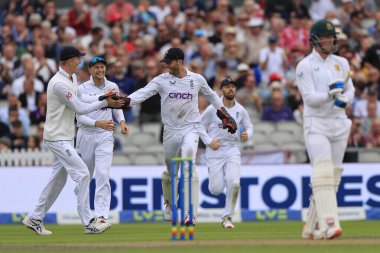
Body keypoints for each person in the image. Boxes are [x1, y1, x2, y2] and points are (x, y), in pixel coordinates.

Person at [125, 47, 237, 225]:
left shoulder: (197, 79)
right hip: (170, 131)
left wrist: (225, 115)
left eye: (169, 62)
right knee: (171, 173)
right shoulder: (162, 80)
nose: (167, 65)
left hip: (190, 128)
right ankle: (169, 204)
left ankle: (189, 213)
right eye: (165, 62)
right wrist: (127, 101)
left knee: (188, 165)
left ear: (179, 61)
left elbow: (212, 96)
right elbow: (143, 93)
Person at [22, 46, 125, 235]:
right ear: (70, 61)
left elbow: (81, 99)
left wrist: (103, 97)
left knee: (57, 180)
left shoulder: (72, 78)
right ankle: (89, 222)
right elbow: (79, 108)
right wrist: (105, 103)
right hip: (57, 137)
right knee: (84, 173)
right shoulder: (58, 83)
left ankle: (35, 218)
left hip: (67, 137)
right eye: (78, 59)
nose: (80, 62)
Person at [295, 20, 354, 239]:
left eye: (332, 37)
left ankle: (310, 227)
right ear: (315, 39)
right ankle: (329, 225)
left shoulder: (341, 63)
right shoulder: (305, 65)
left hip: (339, 122)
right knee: (323, 172)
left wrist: (344, 98)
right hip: (316, 123)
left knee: (334, 174)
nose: (330, 41)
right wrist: (330, 94)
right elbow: (309, 99)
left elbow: (351, 89)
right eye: (326, 37)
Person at [76, 57, 129, 224]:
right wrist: (97, 122)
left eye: (102, 67)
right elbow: (79, 117)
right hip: (85, 134)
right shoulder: (81, 89)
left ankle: (101, 216)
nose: (100, 70)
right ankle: (85, 213)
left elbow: (117, 106)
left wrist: (122, 121)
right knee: (84, 177)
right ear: (90, 70)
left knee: (103, 174)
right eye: (96, 67)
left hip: (105, 134)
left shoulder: (112, 86)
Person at [200, 77, 253, 228]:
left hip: (232, 150)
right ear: (221, 90)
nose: (231, 89)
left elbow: (249, 126)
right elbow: (199, 127)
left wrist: (247, 135)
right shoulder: (212, 109)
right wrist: (209, 141)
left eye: (233, 87)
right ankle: (216, 182)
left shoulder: (240, 110)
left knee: (234, 183)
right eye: (227, 87)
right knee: (216, 190)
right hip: (215, 151)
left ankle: (227, 217)